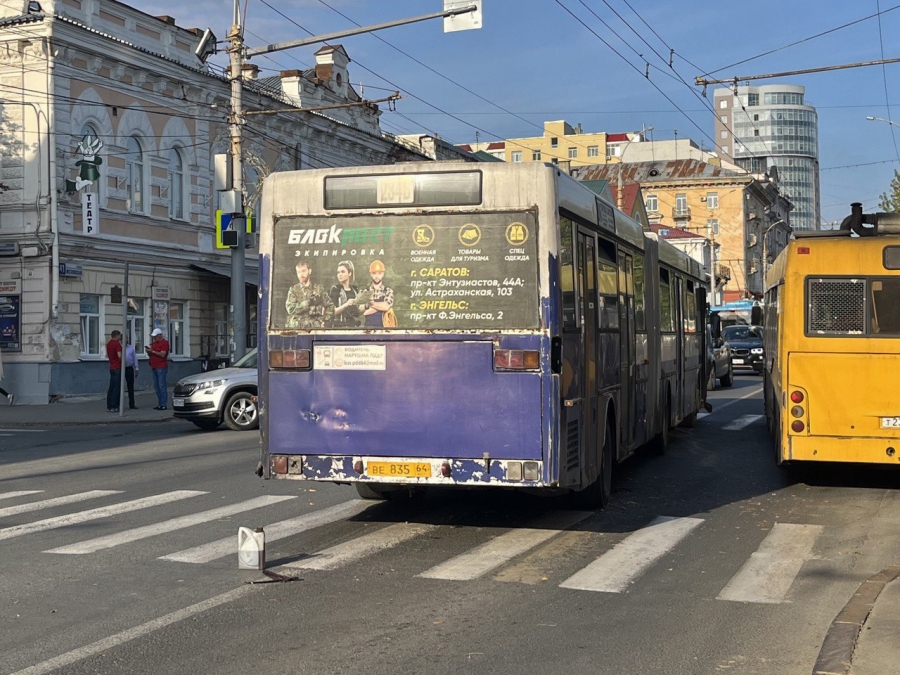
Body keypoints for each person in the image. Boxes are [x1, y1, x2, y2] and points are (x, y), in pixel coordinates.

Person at [285, 261, 334, 329]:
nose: (301, 274)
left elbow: (330, 306)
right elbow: (291, 309)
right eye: (298, 272)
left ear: (309, 271)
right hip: (297, 328)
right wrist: (308, 302)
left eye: (303, 271)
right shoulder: (293, 289)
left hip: (315, 327)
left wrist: (326, 321)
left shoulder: (319, 289)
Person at [328, 260, 363, 328]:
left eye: (343, 272)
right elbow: (331, 312)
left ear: (350, 273)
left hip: (353, 327)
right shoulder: (335, 289)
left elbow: (357, 312)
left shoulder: (355, 290)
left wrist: (366, 306)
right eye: (338, 272)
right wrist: (346, 305)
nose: (340, 274)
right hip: (339, 327)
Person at [363, 260, 395, 328]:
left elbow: (386, 307)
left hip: (384, 330)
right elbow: (361, 310)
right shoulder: (365, 291)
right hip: (368, 330)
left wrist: (370, 304)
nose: (376, 276)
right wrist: (380, 307)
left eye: (379, 273)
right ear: (371, 274)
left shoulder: (388, 291)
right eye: (374, 273)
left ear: (383, 274)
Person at [146, 328, 169, 410]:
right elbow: (151, 355)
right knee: (157, 386)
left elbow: (163, 354)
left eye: (155, 336)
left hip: (161, 366)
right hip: (154, 366)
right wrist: (149, 352)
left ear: (159, 335)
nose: (154, 338)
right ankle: (160, 403)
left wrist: (152, 351)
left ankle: (164, 404)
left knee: (161, 386)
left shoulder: (164, 343)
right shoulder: (154, 344)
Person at [105, 330, 122, 412]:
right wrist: (123, 360)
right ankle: (115, 406)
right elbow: (119, 356)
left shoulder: (108, 344)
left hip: (111, 366)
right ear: (117, 335)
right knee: (117, 387)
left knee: (111, 387)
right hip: (117, 367)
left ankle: (109, 405)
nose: (120, 337)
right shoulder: (117, 344)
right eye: (119, 335)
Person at [124, 338, 139, 410]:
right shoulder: (119, 347)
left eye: (127, 339)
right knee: (118, 386)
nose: (126, 340)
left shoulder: (131, 348)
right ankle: (117, 404)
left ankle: (132, 404)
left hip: (129, 368)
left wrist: (136, 368)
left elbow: (134, 358)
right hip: (120, 368)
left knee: (130, 386)